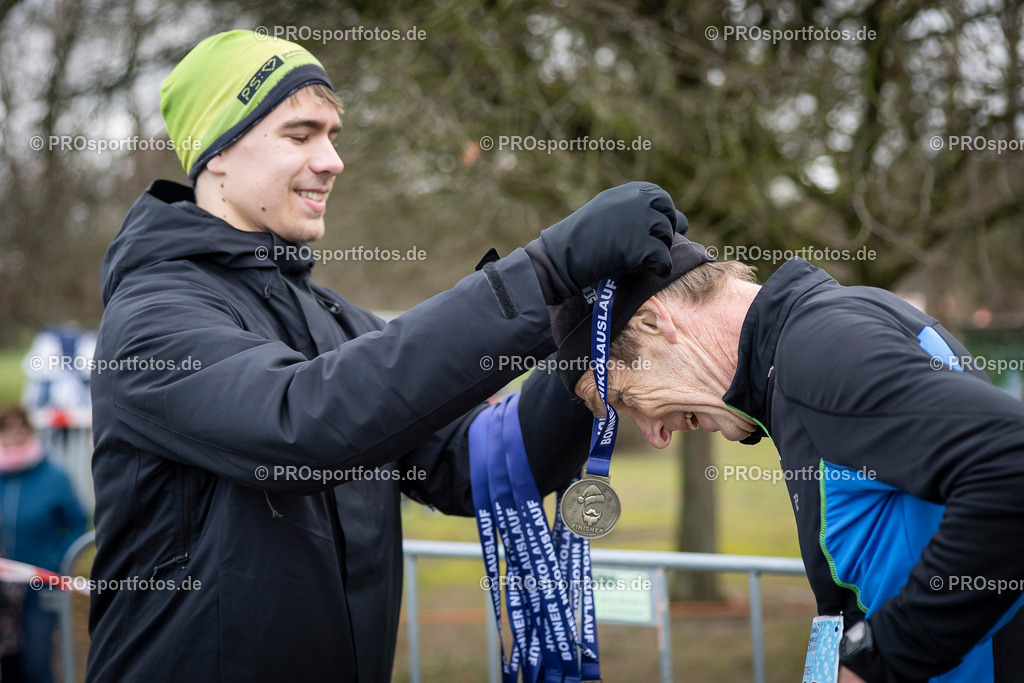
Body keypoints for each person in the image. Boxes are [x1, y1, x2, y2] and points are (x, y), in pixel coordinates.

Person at [87, 29, 686, 682]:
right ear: (219, 153)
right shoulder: (151, 319)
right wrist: (539, 272)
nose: (332, 161)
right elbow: (304, 424)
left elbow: (474, 463)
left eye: (332, 136)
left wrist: (579, 336)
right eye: (300, 135)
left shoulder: (335, 320)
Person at [553, 233, 1024, 682]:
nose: (654, 434)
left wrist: (879, 659)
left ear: (653, 322)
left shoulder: (819, 347)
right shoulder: (809, 341)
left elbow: (1010, 464)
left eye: (624, 398)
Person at [0, 405, 87, 683]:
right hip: (3, 591)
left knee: (36, 664)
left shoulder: (54, 476)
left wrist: (60, 561)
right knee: (8, 663)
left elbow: (77, 521)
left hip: (40, 584)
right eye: (7, 428)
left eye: (20, 428)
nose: (14, 434)